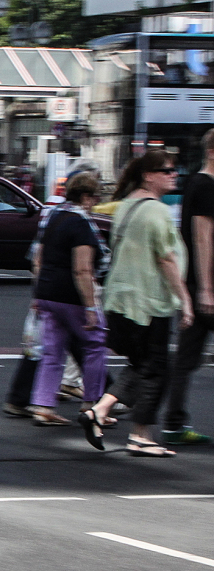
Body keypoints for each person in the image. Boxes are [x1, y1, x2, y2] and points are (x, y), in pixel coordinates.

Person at [83, 151, 194, 456]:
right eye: (167, 171)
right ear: (149, 175)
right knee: (157, 369)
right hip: (146, 303)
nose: (174, 175)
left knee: (142, 364)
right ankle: (140, 435)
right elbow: (166, 259)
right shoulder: (155, 211)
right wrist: (185, 301)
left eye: (175, 170)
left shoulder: (128, 205)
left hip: (119, 300)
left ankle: (99, 410)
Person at [26, 173, 111, 426]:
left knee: (52, 352)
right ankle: (92, 405)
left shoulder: (54, 217)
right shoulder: (81, 224)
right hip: (71, 296)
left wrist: (37, 293)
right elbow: (82, 269)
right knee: (96, 343)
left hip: (47, 294)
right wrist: (90, 307)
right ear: (86, 197)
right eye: (95, 197)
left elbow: (38, 258)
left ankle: (43, 406)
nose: (95, 203)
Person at [163, 127, 214, 445]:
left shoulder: (197, 184)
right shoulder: (206, 185)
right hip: (207, 288)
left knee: (186, 358)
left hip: (196, 286)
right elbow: (201, 236)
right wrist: (206, 288)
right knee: (185, 358)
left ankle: (173, 423)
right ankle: (173, 422)